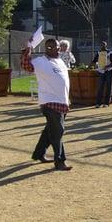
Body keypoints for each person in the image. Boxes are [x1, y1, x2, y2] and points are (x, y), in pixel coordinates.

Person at [21, 38, 72, 171]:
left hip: (62, 102)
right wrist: (26, 54)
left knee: (50, 130)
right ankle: (59, 161)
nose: (52, 49)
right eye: (49, 47)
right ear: (46, 48)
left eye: (55, 47)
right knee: (58, 131)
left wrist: (67, 99)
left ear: (59, 48)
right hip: (49, 102)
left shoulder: (60, 61)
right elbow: (27, 66)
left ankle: (39, 154)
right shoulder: (40, 61)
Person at [91, 41, 112, 108]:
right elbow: (94, 61)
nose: (102, 46)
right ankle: (98, 103)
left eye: (103, 45)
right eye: (101, 45)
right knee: (100, 87)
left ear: (106, 46)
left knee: (108, 87)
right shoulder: (98, 53)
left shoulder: (110, 53)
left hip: (109, 71)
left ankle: (106, 103)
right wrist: (92, 65)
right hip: (101, 72)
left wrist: (107, 66)